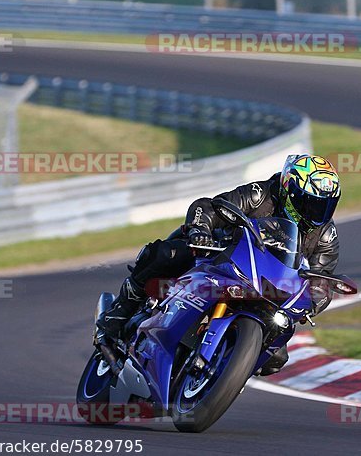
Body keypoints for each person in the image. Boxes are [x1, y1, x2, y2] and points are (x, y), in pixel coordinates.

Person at [97, 154, 342, 375]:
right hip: (221, 255)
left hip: (268, 289)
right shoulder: (260, 194)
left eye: (324, 206)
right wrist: (200, 231)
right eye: (310, 202)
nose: (317, 212)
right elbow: (209, 207)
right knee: (166, 254)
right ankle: (120, 310)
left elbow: (321, 281)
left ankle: (224, 371)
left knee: (276, 357)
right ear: (289, 190)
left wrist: (309, 304)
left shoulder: (325, 236)